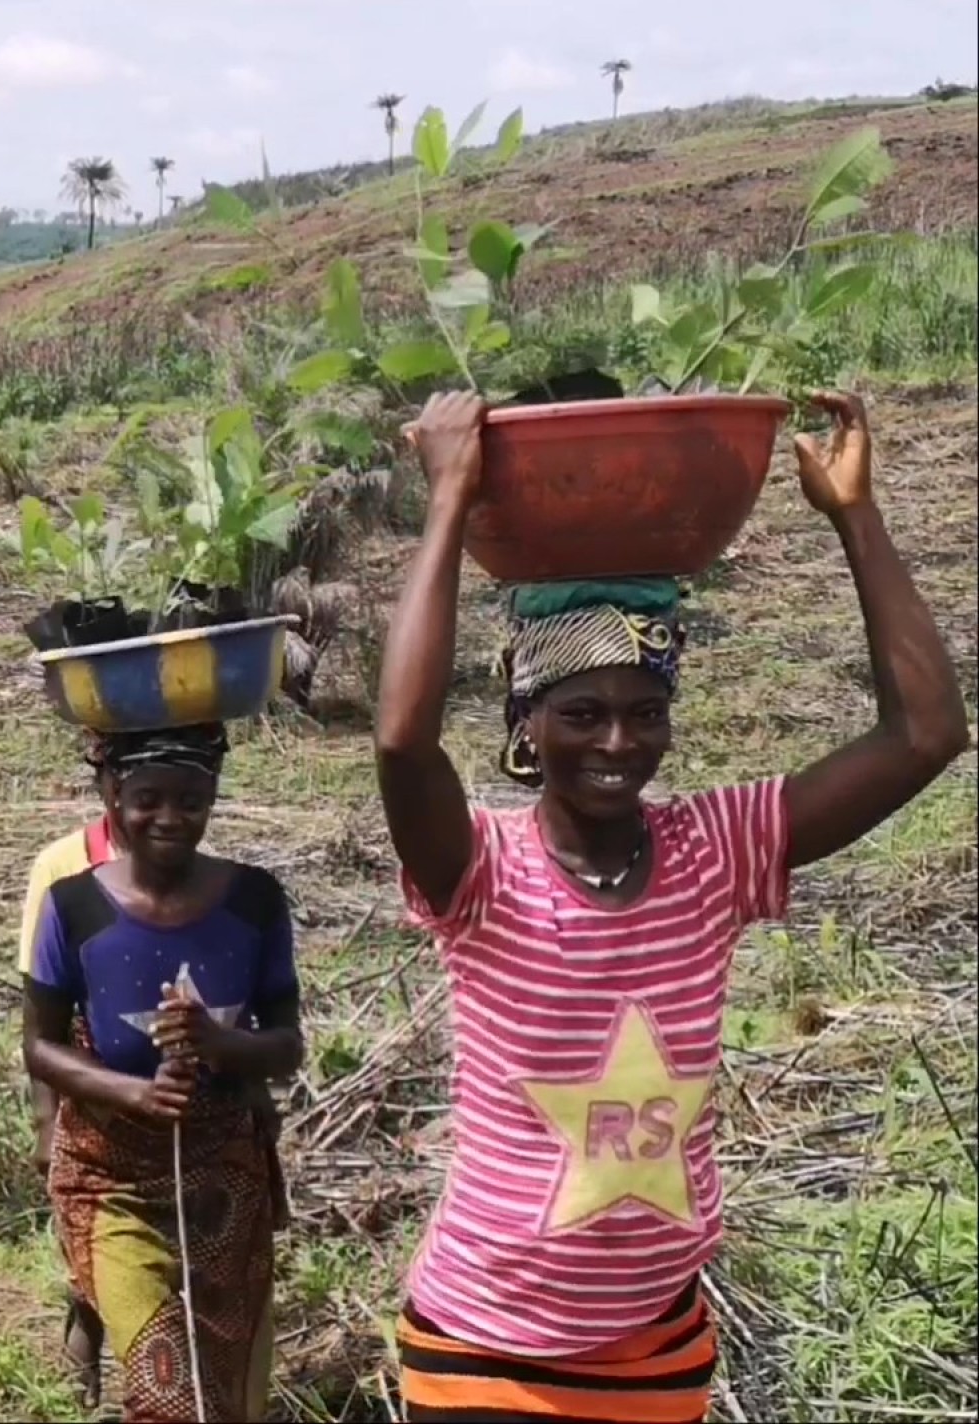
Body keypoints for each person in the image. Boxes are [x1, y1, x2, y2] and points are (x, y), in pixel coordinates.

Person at [374, 390, 968, 1424]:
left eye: (646, 715)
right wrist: (452, 498)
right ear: (528, 725)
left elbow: (924, 738)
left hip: (655, 1343)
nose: (619, 745)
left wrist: (855, 517)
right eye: (584, 715)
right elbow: (401, 744)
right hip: (483, 1346)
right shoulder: (480, 871)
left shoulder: (715, 851)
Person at [23, 723, 302, 1423]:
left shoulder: (255, 902)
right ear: (114, 795)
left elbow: (288, 1045)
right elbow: (39, 1046)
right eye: (148, 798)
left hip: (223, 1174)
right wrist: (134, 1093)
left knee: (230, 1387)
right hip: (110, 1176)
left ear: (213, 798)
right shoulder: (73, 905)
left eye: (191, 799)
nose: (169, 818)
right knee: (160, 1390)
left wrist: (219, 1043)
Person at [15, 744, 120, 1407]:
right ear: (105, 778)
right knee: (93, 1275)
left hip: (183, 1099)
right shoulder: (62, 867)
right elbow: (43, 1019)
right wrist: (47, 1123)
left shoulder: (197, 866)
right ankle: (76, 1397)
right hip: (90, 1092)